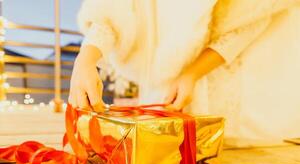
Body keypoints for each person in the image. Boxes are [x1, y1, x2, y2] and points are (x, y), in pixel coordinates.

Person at [69, 0, 300, 147]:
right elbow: (111, 12)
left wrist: (192, 73)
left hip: (240, 95)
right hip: (166, 99)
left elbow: (251, 16)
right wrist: (86, 59)